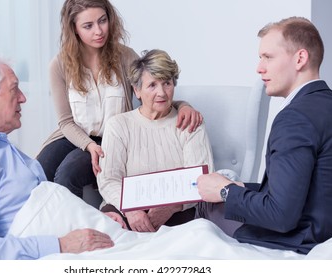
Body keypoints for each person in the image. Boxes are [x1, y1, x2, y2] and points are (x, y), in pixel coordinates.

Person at [0, 51, 118, 260]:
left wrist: (92, 220)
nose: (23, 98)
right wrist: (60, 244)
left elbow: (49, 208)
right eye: (14, 88)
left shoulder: (0, 147)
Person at [36, 0, 202, 200]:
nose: (99, 31)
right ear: (74, 29)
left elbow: (149, 95)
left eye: (102, 21)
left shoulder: (125, 57)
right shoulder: (59, 64)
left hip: (111, 140)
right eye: (88, 26)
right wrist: (88, 145)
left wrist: (183, 105)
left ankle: (75, 229)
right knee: (37, 171)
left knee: (67, 175)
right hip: (73, 135)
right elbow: (65, 122)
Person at [196, 16, 332, 254]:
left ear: (300, 58)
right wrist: (239, 186)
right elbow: (306, 188)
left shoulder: (294, 118)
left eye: (268, 57)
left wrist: (224, 191)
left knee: (206, 206)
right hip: (323, 225)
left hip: (302, 237)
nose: (259, 68)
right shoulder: (325, 104)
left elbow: (281, 215)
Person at [97, 49, 214, 232]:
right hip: (126, 209)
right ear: (137, 90)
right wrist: (131, 209)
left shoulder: (190, 122)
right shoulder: (118, 125)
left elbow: (203, 181)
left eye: (167, 83)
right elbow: (108, 179)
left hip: (179, 211)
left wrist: (172, 206)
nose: (162, 93)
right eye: (152, 85)